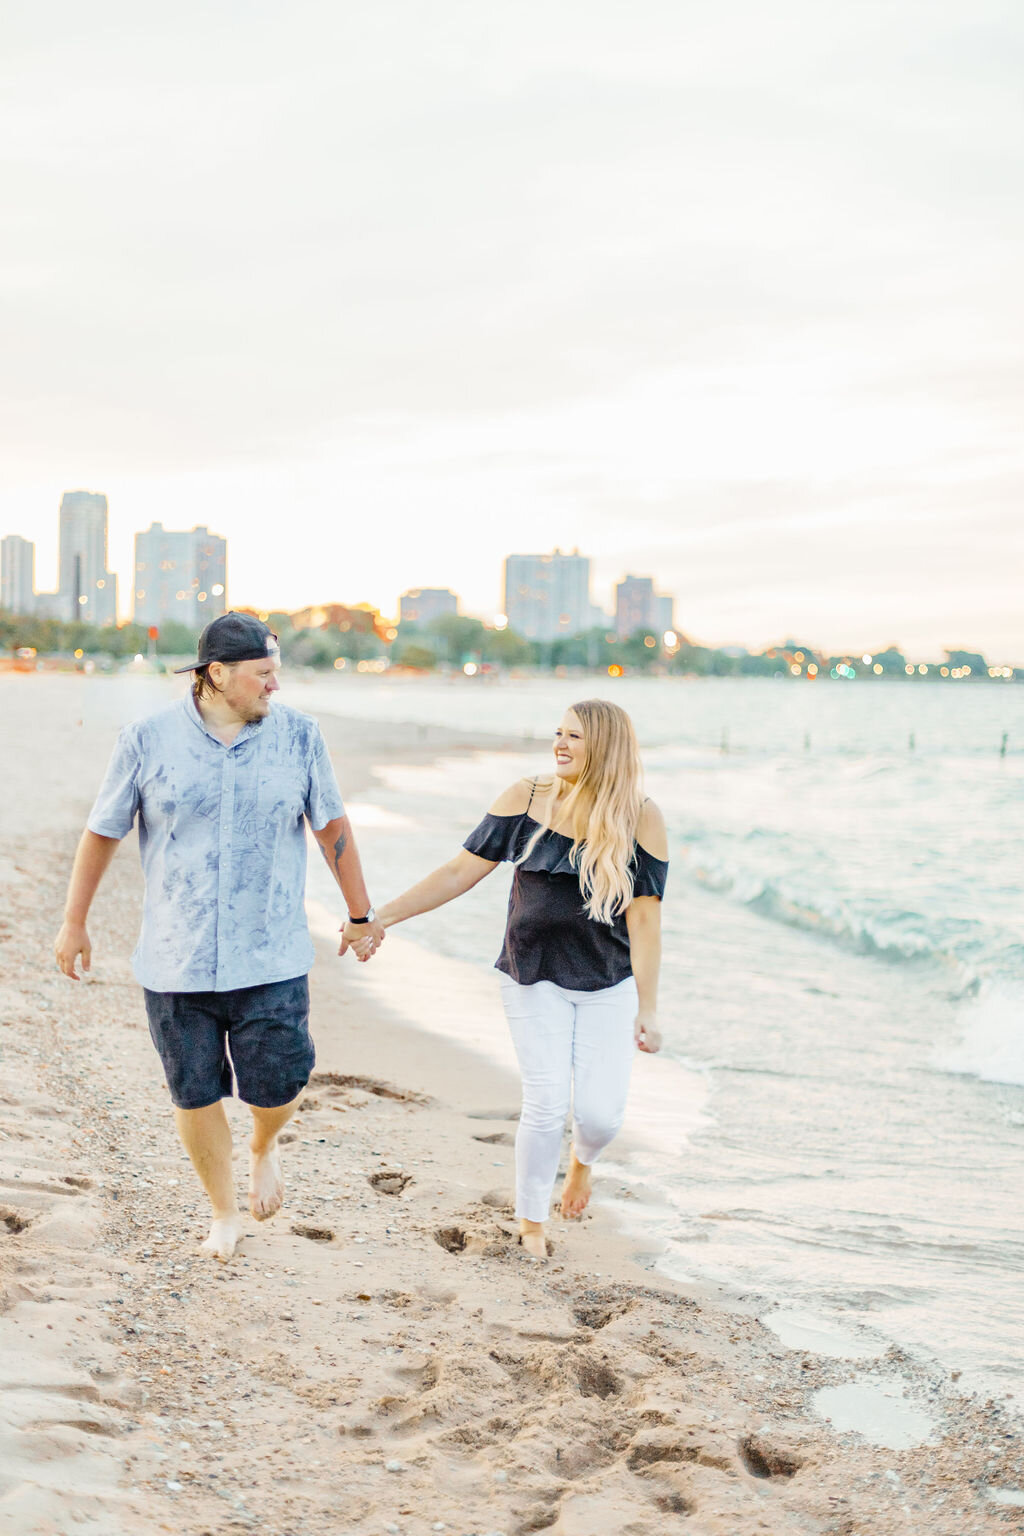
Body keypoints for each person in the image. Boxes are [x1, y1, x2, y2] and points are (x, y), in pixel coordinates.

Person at [54, 612, 386, 1261]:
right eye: (264, 676)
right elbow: (103, 831)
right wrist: (74, 922)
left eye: (277, 675)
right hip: (175, 958)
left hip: (271, 952)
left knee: (280, 1083)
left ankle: (265, 1143)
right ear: (216, 675)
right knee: (195, 1091)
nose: (275, 688)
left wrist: (360, 913)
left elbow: (332, 826)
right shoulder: (146, 740)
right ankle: (224, 1213)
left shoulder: (299, 737)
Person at [373, 698, 667, 1260]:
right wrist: (382, 917)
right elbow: (460, 870)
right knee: (547, 1100)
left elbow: (647, 920)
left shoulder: (642, 816)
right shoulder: (527, 797)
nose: (559, 743)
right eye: (558, 733)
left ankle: (582, 1163)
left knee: (601, 1117)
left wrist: (648, 1008)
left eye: (574, 737)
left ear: (604, 746)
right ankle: (531, 1221)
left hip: (608, 983)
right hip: (532, 975)